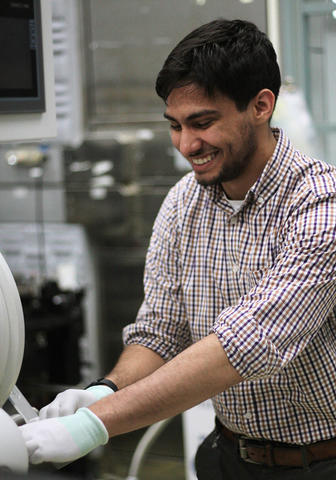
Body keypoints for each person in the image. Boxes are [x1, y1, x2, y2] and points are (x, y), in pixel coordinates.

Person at [20, 18, 336, 479]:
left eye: (203, 123)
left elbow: (250, 344)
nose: (188, 145)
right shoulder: (185, 201)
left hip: (320, 462)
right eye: (175, 126)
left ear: (261, 106)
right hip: (227, 456)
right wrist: (105, 391)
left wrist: (95, 424)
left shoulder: (321, 203)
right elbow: (162, 330)